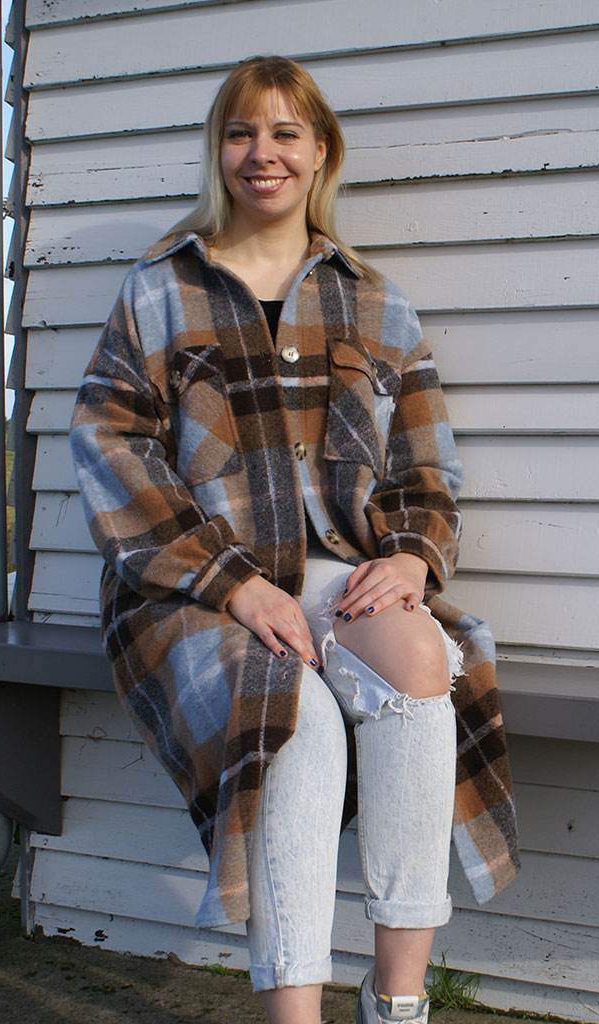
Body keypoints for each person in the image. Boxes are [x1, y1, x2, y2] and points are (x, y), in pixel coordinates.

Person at [70, 55, 519, 1024]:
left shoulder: (375, 302)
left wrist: (409, 556)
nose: (260, 153)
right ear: (217, 150)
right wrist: (235, 583)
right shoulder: (160, 289)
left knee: (418, 663)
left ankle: (397, 999)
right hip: (189, 590)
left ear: (320, 153)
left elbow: (426, 465)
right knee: (296, 717)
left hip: (339, 576)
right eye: (241, 132)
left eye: (283, 133)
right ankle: (293, 1013)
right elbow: (111, 450)